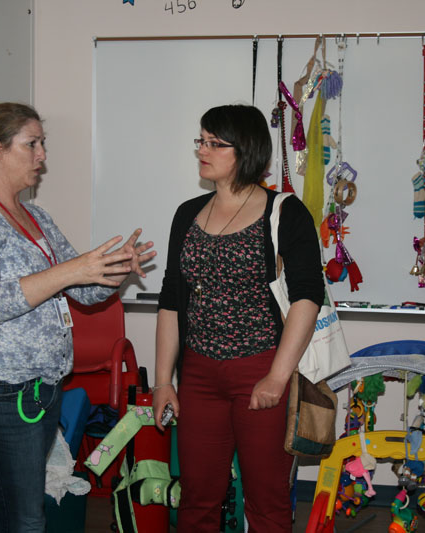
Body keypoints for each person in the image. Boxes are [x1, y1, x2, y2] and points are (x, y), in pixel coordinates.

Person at [0, 102, 154, 532]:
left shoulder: (34, 216)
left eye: (42, 144)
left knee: (1, 506)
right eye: (32, 144)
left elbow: (85, 291)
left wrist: (114, 268)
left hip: (40, 388)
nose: (42, 156)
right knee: (25, 517)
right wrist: (70, 271)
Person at [152, 104, 324, 532]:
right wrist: (162, 383)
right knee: (197, 499)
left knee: (266, 502)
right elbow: (172, 300)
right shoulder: (187, 214)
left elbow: (307, 298)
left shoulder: (284, 211)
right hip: (198, 375)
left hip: (260, 369)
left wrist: (277, 378)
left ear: (244, 149)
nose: (202, 150)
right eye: (201, 140)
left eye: (214, 143)